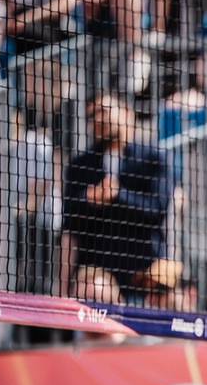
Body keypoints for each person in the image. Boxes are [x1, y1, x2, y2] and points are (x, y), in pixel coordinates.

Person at [62, 94, 174, 303]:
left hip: (142, 281)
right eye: (91, 116)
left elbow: (157, 210)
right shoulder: (79, 165)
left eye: (103, 111)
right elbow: (69, 218)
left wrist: (117, 196)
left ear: (126, 114)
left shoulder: (154, 158)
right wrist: (90, 200)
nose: (97, 119)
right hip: (96, 288)